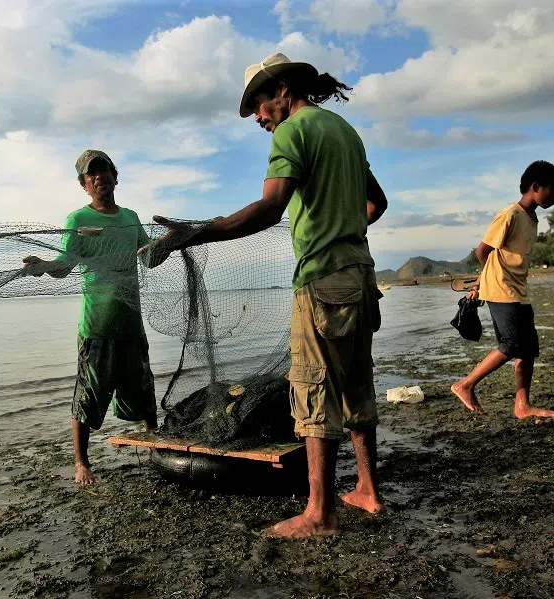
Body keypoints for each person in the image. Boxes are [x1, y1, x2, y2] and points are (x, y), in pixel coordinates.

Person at [142, 53, 389, 537]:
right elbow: (376, 203)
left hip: (322, 280)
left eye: (258, 102)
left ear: (282, 89)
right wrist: (342, 228)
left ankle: (320, 514)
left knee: (314, 389)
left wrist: (193, 234)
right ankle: (367, 491)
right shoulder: (344, 130)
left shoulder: (292, 132)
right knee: (357, 387)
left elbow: (270, 209)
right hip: (360, 276)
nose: (258, 116)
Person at [23, 150, 167, 485]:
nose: (100, 177)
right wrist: (41, 267)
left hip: (131, 323)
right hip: (97, 326)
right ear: (84, 184)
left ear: (116, 176)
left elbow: (148, 259)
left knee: (144, 390)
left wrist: (169, 241)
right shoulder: (77, 220)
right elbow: (64, 266)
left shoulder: (131, 217)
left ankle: (155, 448)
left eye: (105, 170)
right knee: (88, 394)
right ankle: (82, 463)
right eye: (92, 174)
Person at [451, 161, 554, 419]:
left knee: (528, 349)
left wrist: (482, 282)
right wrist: (489, 281)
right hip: (502, 290)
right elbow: (483, 251)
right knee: (511, 344)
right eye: (553, 189)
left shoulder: (531, 218)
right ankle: (465, 385)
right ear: (536, 187)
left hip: (518, 290)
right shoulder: (510, 214)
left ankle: (522, 405)